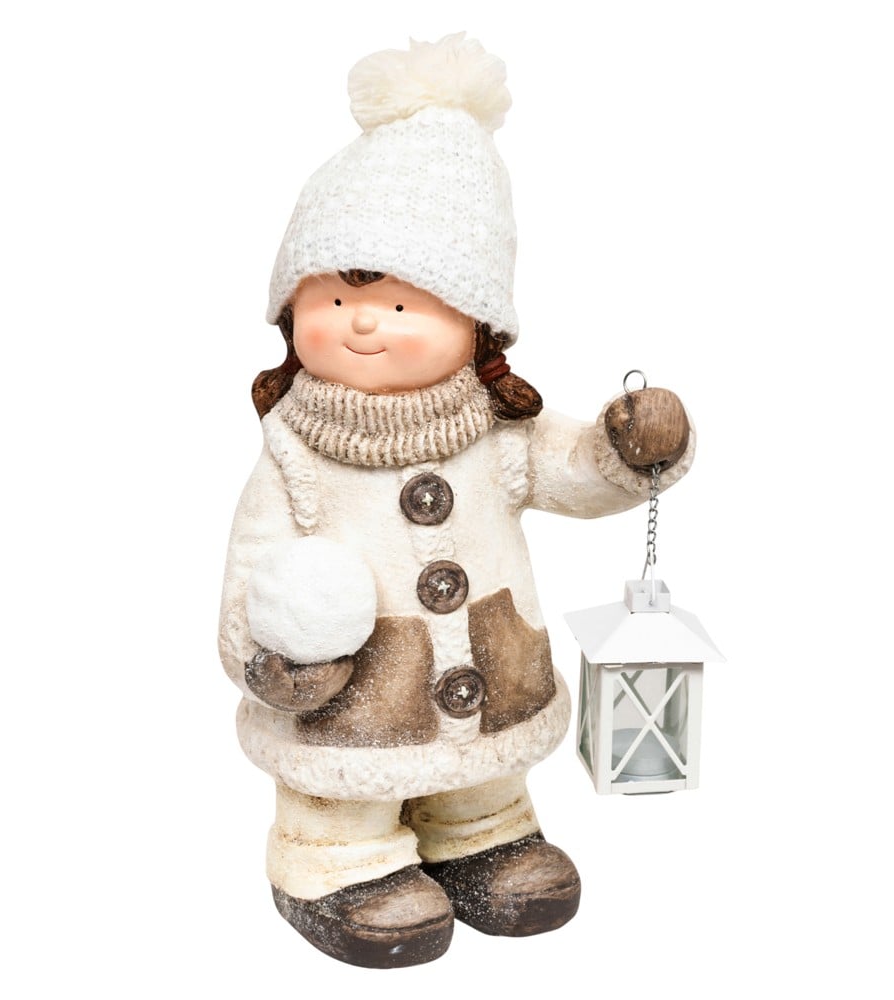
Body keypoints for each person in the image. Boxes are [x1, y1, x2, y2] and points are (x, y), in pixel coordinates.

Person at [219, 34, 693, 969]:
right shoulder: (294, 450)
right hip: (347, 699)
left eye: (404, 304)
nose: (364, 320)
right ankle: (334, 861)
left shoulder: (498, 431)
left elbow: (575, 473)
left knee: (484, 774)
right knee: (343, 787)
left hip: (490, 672)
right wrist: (267, 658)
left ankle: (482, 835)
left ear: (477, 326)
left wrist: (625, 450)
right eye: (335, 296)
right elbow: (252, 564)